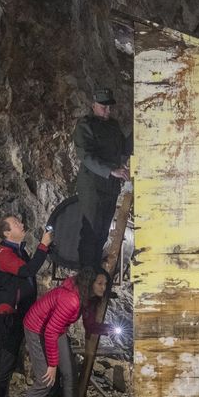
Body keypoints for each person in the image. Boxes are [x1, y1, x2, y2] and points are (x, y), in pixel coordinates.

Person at [12, 267, 114, 397]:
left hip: (55, 329)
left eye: (105, 284)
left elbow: (87, 324)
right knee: (45, 379)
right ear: (90, 283)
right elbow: (50, 332)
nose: (103, 288)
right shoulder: (71, 299)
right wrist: (52, 365)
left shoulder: (86, 297)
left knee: (70, 373)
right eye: (100, 283)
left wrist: (103, 328)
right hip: (36, 328)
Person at [0, 215, 52, 397]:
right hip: (9, 317)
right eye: (16, 223)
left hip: (23, 315)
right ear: (7, 232)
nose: (22, 224)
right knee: (6, 365)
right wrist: (43, 246)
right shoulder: (4, 254)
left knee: (20, 359)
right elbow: (27, 271)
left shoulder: (19, 250)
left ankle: (52, 393)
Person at [74, 87, 131, 269]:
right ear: (93, 106)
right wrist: (111, 170)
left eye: (109, 108)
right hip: (93, 186)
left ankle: (95, 273)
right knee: (91, 231)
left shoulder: (113, 126)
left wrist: (139, 129)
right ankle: (86, 274)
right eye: (103, 107)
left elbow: (123, 148)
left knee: (102, 232)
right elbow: (86, 155)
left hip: (110, 187)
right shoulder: (85, 125)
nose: (107, 111)